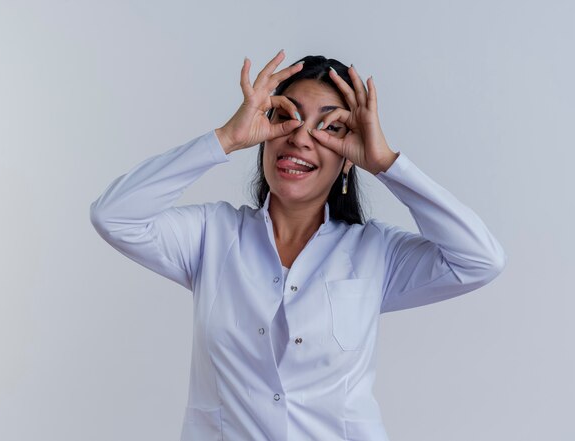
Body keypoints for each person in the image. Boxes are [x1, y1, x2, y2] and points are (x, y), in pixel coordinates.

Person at [89, 49, 507, 441]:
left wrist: (386, 165)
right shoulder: (210, 235)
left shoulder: (375, 253)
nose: (301, 138)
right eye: (286, 118)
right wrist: (226, 139)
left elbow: (480, 260)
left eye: (331, 127)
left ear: (349, 156)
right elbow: (115, 215)